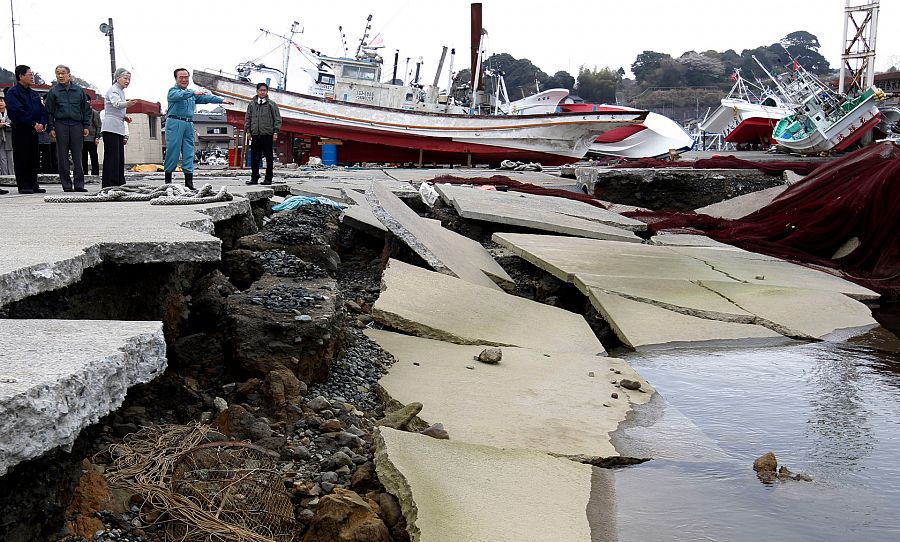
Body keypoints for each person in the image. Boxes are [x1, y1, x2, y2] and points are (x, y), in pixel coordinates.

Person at [165, 68, 233, 189]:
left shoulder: (191, 95)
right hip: (175, 122)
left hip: (189, 123)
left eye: (186, 77)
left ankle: (189, 183)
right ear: (176, 79)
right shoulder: (173, 91)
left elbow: (207, 98)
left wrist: (222, 100)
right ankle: (168, 181)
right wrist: (192, 92)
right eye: (181, 77)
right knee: (173, 151)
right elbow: (179, 95)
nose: (184, 79)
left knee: (189, 152)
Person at [45, 64, 91, 192]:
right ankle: (66, 185)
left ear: (69, 75)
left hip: (77, 124)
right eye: (58, 73)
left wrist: (86, 125)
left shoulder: (79, 90)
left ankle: (79, 184)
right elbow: (49, 112)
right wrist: (51, 128)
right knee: (62, 156)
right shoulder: (53, 91)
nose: (60, 75)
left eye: (63, 73)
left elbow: (86, 109)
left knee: (78, 155)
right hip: (61, 124)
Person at [4, 65, 47, 194]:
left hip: (35, 130)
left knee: (33, 158)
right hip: (21, 129)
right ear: (21, 76)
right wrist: (33, 123)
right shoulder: (13, 92)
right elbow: (17, 111)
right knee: (21, 157)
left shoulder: (34, 93)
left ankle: (34, 183)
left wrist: (42, 123)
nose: (32, 76)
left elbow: (42, 110)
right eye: (29, 74)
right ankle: (23, 185)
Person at [101, 68, 135, 188]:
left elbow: (117, 109)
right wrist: (128, 104)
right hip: (110, 127)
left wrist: (124, 116)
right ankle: (110, 183)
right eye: (125, 78)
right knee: (112, 156)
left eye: (129, 79)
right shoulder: (113, 90)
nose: (127, 81)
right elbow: (116, 104)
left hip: (118, 126)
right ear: (117, 78)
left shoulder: (121, 91)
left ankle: (119, 181)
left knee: (119, 157)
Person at [244, 82, 281, 185]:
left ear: (267, 91)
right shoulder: (252, 104)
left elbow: (277, 119)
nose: (262, 92)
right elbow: (248, 118)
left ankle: (268, 178)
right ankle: (254, 177)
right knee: (255, 157)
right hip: (255, 134)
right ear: (257, 91)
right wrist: (248, 131)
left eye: (264, 90)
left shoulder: (271, 104)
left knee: (269, 157)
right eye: (260, 90)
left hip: (267, 134)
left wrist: (275, 132)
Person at [82, 94, 101, 176]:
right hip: (81, 139)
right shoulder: (79, 112)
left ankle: (95, 173)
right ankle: (84, 173)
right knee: (83, 157)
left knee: (94, 157)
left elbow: (98, 125)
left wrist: (97, 137)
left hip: (92, 138)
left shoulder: (94, 113)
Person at [0, 95, 14, 189]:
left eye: (2, 101)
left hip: (9, 137)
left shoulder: (10, 113)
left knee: (11, 157)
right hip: (0, 138)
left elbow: (13, 123)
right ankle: (4, 176)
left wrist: (4, 124)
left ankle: (12, 176)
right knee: (2, 158)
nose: (0, 103)